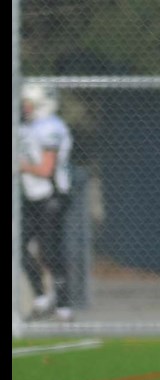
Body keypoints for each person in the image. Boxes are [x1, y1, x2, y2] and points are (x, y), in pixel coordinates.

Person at [19, 82, 74, 322]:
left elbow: (46, 168)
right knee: (18, 247)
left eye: (28, 103)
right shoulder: (29, 127)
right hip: (32, 196)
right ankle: (42, 297)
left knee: (50, 250)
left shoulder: (50, 127)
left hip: (51, 195)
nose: (25, 107)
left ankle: (63, 305)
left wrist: (21, 166)